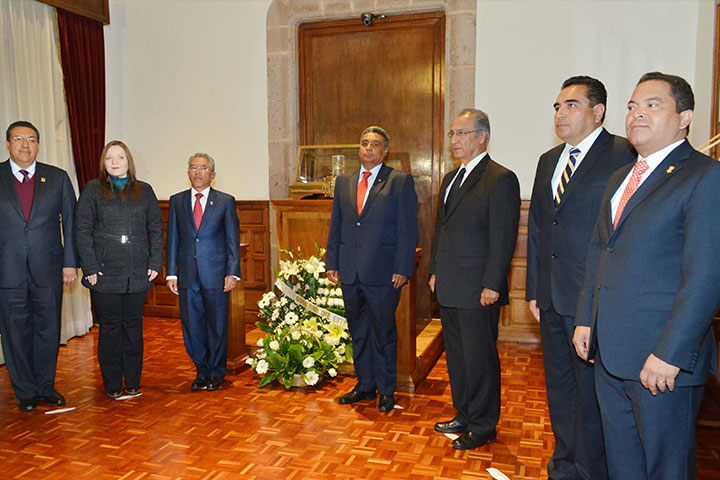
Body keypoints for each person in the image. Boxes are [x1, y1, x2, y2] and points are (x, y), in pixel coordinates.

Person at [573, 72, 720, 480]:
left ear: (685, 118)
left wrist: (670, 353)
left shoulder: (706, 176)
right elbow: (599, 251)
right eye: (632, 106)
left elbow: (706, 275)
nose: (637, 113)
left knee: (665, 469)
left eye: (653, 105)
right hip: (609, 355)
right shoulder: (621, 178)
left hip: (661, 362)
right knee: (624, 466)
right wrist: (586, 318)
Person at [526, 76, 635, 480]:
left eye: (571, 105)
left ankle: (590, 470)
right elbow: (539, 229)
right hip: (551, 298)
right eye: (557, 107)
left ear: (598, 111)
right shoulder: (548, 160)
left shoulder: (623, 153)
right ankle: (564, 462)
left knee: (591, 395)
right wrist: (534, 289)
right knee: (559, 388)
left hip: (594, 299)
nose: (560, 114)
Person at [429, 109, 520, 449]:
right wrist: (435, 271)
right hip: (450, 283)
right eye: (452, 134)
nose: (455, 140)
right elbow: (441, 229)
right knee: (457, 357)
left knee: (480, 359)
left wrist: (492, 284)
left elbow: (503, 237)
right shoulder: (450, 178)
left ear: (483, 136)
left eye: (462, 133)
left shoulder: (500, 178)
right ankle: (465, 413)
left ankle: (483, 425)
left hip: (479, 287)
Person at [326, 126, 418, 412]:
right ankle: (365, 385)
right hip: (350, 271)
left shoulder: (399, 181)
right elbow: (337, 224)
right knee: (359, 332)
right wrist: (332, 262)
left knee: (383, 333)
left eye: (375, 144)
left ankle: (387, 391)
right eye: (364, 143)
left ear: (385, 151)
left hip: (383, 273)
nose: (368, 148)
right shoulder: (344, 181)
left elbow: (408, 229)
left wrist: (403, 267)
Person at [74, 140, 163, 399]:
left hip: (137, 272)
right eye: (109, 157)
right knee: (111, 329)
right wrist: (90, 266)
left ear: (128, 161)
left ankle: (133, 383)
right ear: (103, 163)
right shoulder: (93, 190)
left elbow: (156, 229)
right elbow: (82, 231)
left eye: (120, 157)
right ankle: (112, 384)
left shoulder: (144, 190)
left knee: (133, 328)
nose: (115, 162)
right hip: (103, 274)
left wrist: (155, 262)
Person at [0, 121, 78, 411]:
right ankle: (25, 391)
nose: (25, 145)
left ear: (38, 145)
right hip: (7, 271)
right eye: (18, 139)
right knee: (15, 333)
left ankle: (46, 386)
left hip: (49, 269)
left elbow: (71, 224)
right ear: (8, 144)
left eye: (31, 139)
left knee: (47, 330)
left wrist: (70, 263)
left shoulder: (57, 178)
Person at [165, 153, 241, 391]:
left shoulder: (225, 201)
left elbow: (232, 240)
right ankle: (201, 370)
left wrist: (233, 272)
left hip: (216, 275)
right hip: (188, 276)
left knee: (217, 325)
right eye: (193, 167)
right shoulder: (177, 201)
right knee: (192, 325)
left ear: (213, 174)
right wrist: (171, 273)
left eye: (203, 168)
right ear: (188, 172)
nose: (198, 172)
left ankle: (216, 372)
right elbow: (172, 239)